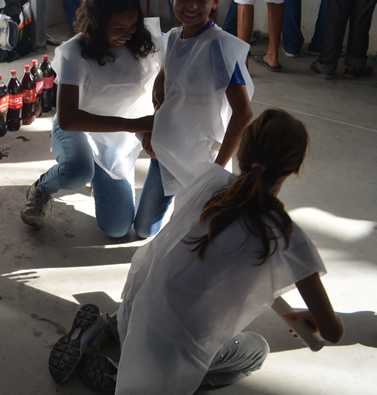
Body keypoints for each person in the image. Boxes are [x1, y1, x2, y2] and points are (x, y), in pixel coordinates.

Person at [52, 109, 344, 393]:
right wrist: (313, 314)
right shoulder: (287, 237)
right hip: (175, 345)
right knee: (257, 349)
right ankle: (130, 377)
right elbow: (332, 332)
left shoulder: (210, 181)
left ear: (242, 151)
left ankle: (107, 328)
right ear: (294, 169)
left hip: (137, 304)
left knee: (163, 303)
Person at [20, 0, 170, 239]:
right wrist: (136, 125)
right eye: (118, 28)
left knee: (117, 229)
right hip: (81, 128)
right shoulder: (75, 52)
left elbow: (164, 81)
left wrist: (151, 121)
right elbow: (68, 119)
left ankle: (105, 176)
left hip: (124, 134)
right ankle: (42, 188)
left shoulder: (146, 40)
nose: (127, 34)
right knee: (78, 171)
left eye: (133, 25)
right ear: (98, 23)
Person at [145, 0, 254, 213]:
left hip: (201, 158)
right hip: (166, 148)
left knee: (193, 222)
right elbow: (162, 84)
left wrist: (216, 169)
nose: (191, 6)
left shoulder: (218, 46)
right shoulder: (173, 37)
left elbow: (243, 113)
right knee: (145, 227)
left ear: (216, 1)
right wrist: (154, 126)